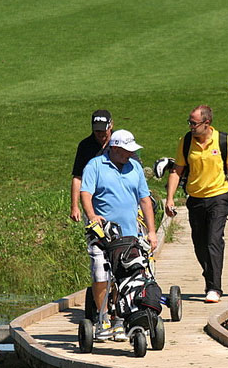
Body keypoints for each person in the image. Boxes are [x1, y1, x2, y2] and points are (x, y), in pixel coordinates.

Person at [80, 129, 158, 340]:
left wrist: (151, 231)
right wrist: (92, 216)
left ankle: (119, 320)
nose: (130, 154)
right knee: (101, 275)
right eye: (126, 150)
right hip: (102, 234)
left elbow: (144, 200)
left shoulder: (135, 167)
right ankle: (103, 317)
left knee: (125, 277)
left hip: (130, 234)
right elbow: (85, 193)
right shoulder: (95, 165)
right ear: (114, 148)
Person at [165, 105, 228, 304]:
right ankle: (210, 275)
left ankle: (214, 288)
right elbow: (177, 171)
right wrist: (170, 198)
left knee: (214, 240)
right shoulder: (186, 141)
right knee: (199, 244)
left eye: (194, 123)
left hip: (219, 197)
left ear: (206, 123)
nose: (190, 126)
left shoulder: (224, 140)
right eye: (190, 122)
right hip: (195, 200)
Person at [70, 110, 113, 222]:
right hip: (93, 204)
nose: (100, 134)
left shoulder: (120, 143)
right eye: (97, 130)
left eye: (103, 130)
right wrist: (74, 206)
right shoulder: (85, 146)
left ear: (111, 125)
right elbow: (78, 177)